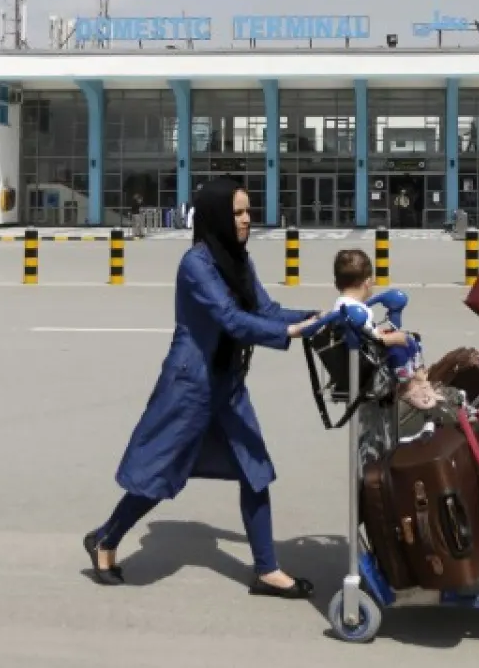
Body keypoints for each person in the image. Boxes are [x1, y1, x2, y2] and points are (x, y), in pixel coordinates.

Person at [84, 177, 321, 597]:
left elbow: (266, 310)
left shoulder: (239, 262)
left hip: (227, 384)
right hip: (190, 387)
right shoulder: (196, 264)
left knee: (255, 472)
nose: (248, 220)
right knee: (160, 474)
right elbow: (231, 319)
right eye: (238, 213)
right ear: (216, 217)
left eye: (249, 211)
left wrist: (322, 318)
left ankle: (267, 569)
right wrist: (291, 332)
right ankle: (105, 538)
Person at [332, 249, 439, 411]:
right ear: (368, 282)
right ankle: (408, 386)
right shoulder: (356, 310)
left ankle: (418, 379)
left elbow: (365, 332)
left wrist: (380, 333)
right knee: (404, 342)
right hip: (370, 364)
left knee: (403, 339)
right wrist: (394, 338)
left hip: (360, 356)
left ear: (336, 283)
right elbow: (372, 338)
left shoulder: (342, 305)